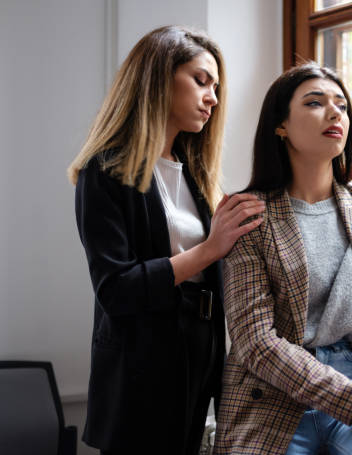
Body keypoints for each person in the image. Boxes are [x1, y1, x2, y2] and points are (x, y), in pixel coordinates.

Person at [214, 62, 352, 455]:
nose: (336, 112)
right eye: (315, 103)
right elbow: (255, 342)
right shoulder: (248, 215)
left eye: (342, 105)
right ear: (280, 125)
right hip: (273, 397)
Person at [67, 26, 265, 455]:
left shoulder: (196, 176)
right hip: (139, 371)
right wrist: (209, 248)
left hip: (200, 362)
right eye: (201, 80)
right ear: (158, 77)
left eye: (216, 86)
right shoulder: (103, 173)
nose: (213, 97)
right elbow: (116, 289)